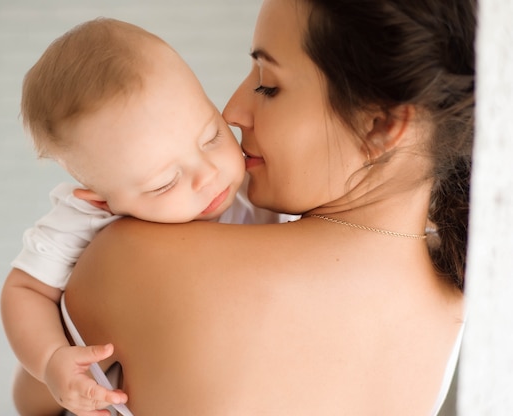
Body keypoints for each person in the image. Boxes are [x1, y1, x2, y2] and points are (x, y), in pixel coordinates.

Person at [63, 0, 474, 414]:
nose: (233, 112)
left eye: (268, 85)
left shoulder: (136, 258)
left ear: (381, 126)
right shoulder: (457, 297)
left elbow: (35, 398)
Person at [0, 17, 296, 416]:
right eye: (164, 183)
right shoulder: (85, 219)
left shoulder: (261, 186)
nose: (208, 175)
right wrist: (52, 360)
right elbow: (25, 291)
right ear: (103, 200)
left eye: (211, 136)